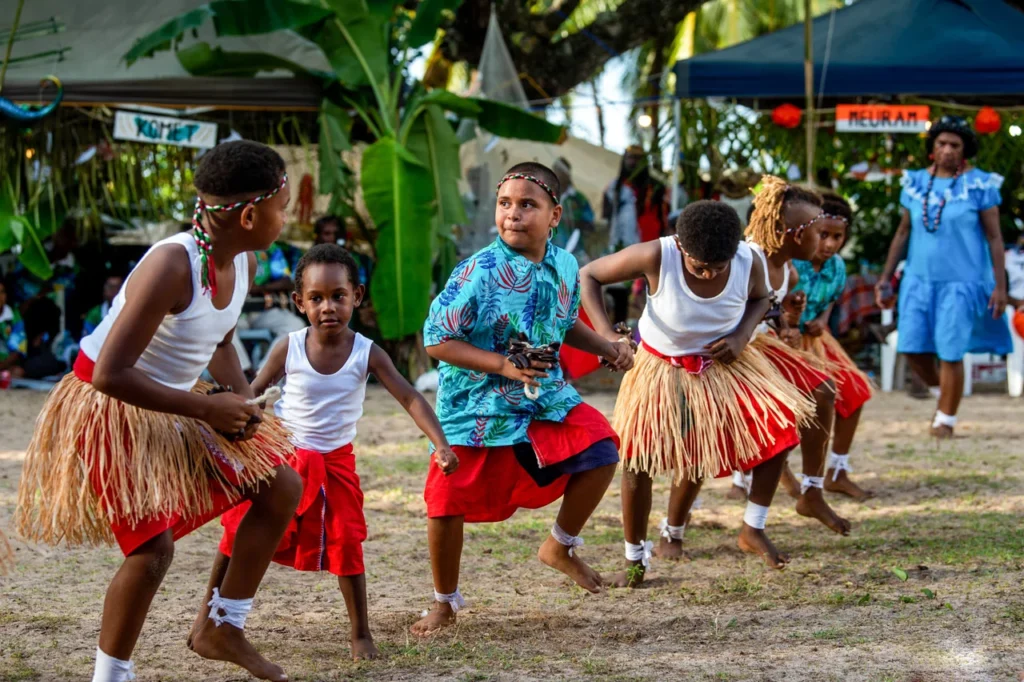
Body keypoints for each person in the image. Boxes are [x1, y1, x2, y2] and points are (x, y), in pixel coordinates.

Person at [16, 141, 303, 682]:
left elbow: (220, 337)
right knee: (151, 551)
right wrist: (206, 408)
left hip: (177, 400)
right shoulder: (173, 265)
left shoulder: (243, 259)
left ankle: (222, 626)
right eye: (282, 207)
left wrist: (239, 399)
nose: (285, 218)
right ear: (248, 214)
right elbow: (108, 374)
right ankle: (111, 675)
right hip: (109, 408)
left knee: (280, 483)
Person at [411, 161, 633, 635]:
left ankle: (560, 545)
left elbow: (565, 319)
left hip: (542, 394)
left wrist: (608, 347)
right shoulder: (479, 271)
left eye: (527, 205)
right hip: (475, 403)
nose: (513, 214)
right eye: (505, 204)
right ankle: (444, 603)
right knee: (446, 501)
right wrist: (501, 365)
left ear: (554, 215)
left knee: (602, 449)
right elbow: (436, 340)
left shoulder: (566, 264)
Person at [213, 243, 459, 660]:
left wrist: (441, 443)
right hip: (284, 459)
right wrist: (232, 425)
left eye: (338, 297)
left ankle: (360, 632)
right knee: (237, 532)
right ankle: (211, 619)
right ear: (299, 302)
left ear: (356, 297)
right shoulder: (287, 347)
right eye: (316, 298)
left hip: (336, 464)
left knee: (347, 542)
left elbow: (410, 397)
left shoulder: (367, 352)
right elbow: (252, 395)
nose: (328, 307)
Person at [581, 201, 815, 581]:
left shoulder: (748, 260)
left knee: (778, 430)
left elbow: (761, 298)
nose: (708, 273)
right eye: (699, 266)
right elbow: (588, 275)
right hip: (659, 367)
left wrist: (741, 335)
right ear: (681, 247)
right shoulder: (657, 254)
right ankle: (635, 559)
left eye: (717, 267)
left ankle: (743, 527)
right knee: (638, 462)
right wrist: (608, 336)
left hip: (722, 366)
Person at [876, 115, 1010, 438]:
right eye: (941, 143)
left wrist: (1000, 286)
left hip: (961, 284)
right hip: (918, 282)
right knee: (911, 347)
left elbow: (995, 238)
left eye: (955, 145)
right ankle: (945, 392)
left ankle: (945, 420)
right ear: (932, 149)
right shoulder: (916, 183)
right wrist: (885, 278)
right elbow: (902, 232)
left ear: (964, 151)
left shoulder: (979, 184)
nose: (947, 149)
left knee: (950, 350)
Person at [744, 176, 851, 536]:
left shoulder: (788, 271)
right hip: (732, 356)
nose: (825, 241)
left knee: (824, 389)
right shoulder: (747, 260)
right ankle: (674, 528)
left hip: (767, 346)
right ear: (795, 234)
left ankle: (813, 490)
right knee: (774, 425)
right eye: (819, 232)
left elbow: (774, 314)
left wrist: (788, 322)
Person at [790, 193, 874, 501]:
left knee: (855, 390)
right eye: (822, 234)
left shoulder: (837, 267)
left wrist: (822, 320)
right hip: (780, 341)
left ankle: (837, 472)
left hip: (816, 340)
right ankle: (743, 479)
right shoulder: (791, 260)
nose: (828, 244)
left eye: (837, 237)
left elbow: (831, 300)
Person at [604, 145, 669, 252]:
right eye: (630, 157)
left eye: (637, 158)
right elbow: (608, 216)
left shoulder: (656, 186)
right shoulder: (615, 187)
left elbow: (662, 217)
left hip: (648, 241)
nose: (633, 162)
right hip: (621, 238)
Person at [0, 280, 27, 377]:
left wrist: (2, 366)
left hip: (5, 366)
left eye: (2, 292)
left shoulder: (13, 316)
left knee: (18, 372)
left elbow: (18, 351)